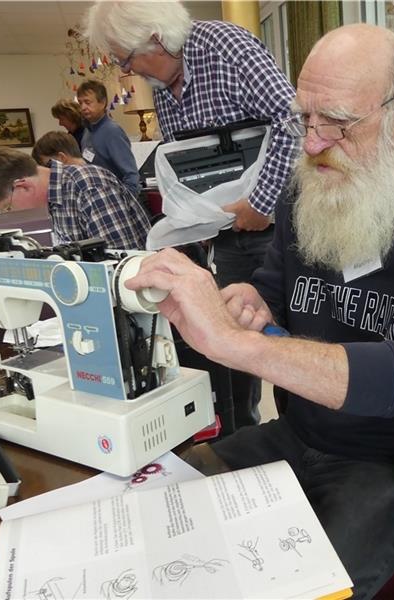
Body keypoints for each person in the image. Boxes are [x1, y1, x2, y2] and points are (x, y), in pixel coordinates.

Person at [124, 24, 394, 598]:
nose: (313, 143)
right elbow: (272, 288)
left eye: (339, 123)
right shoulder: (306, 191)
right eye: (305, 118)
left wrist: (243, 346)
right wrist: (252, 301)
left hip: (393, 461)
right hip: (296, 434)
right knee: (158, 517)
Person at [84, 0, 297, 428]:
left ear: (156, 39)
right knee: (233, 337)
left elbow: (294, 121)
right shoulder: (163, 87)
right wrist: (191, 219)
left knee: (292, 335)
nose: (131, 71)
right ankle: (243, 433)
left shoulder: (225, 46)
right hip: (227, 233)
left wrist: (262, 202)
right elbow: (185, 160)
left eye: (128, 59)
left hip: (282, 226)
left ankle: (305, 433)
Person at [0, 147, 150, 250]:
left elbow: (123, 263)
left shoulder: (88, 186)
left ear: (22, 186)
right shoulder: (55, 198)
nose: (11, 214)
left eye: (7, 208)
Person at [76, 80, 140, 198]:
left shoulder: (112, 131)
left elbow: (131, 176)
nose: (83, 107)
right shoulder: (87, 131)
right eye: (80, 103)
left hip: (116, 202)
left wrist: (125, 204)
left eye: (87, 102)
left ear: (103, 103)